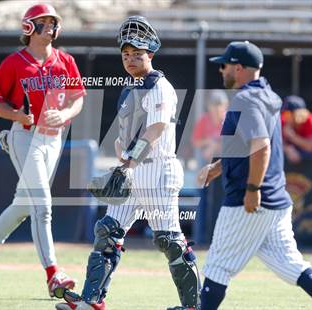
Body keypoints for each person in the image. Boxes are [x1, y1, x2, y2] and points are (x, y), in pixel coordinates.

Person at [55, 16, 201, 310]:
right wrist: (123, 158)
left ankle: (194, 306)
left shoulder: (159, 85)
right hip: (133, 169)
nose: (131, 59)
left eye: (137, 54)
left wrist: (131, 162)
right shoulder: (128, 89)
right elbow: (124, 138)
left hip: (158, 169)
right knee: (107, 231)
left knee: (169, 240)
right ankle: (92, 300)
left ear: (150, 55)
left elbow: (156, 128)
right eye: (126, 54)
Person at [197, 41, 312, 310]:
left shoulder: (245, 99)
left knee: (217, 267)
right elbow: (243, 146)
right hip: (278, 201)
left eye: (224, 65)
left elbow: (261, 147)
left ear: (239, 68)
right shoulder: (269, 95)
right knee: (292, 265)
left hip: (248, 200)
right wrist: (217, 169)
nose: (221, 70)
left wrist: (252, 189)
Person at [0, 4, 86, 297]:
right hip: (25, 136)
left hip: (53, 138)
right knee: (43, 206)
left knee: (25, 205)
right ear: (28, 27)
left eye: (53, 22)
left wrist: (66, 114)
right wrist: (18, 117)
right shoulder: (14, 62)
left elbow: (78, 98)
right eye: (44, 22)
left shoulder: (66, 61)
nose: (50, 26)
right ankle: (53, 274)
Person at [281, 95, 312, 163]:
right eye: (284, 113)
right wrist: (287, 148)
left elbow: (310, 147)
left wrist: (292, 137)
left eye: (287, 113)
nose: (285, 116)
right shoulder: (283, 120)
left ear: (299, 113)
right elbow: (274, 143)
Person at [192, 90, 228, 165]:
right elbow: (195, 142)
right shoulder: (204, 120)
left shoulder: (229, 120)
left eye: (219, 104)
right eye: (214, 104)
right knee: (201, 155)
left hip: (225, 155)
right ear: (209, 106)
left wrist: (214, 146)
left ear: (225, 105)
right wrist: (209, 141)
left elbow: (232, 144)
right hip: (206, 156)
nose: (217, 108)